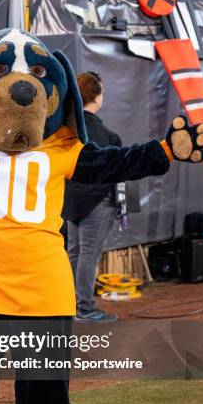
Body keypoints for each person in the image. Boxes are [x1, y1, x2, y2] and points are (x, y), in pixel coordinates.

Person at [64, 71, 122, 323]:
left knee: (74, 253)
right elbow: (121, 170)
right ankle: (85, 308)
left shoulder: (66, 130)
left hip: (70, 202)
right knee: (87, 254)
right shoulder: (107, 136)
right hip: (97, 203)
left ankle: (68, 305)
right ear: (96, 96)